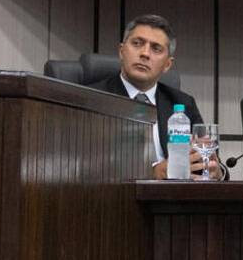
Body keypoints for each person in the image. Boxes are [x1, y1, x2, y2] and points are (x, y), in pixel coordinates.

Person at [88, 13, 218, 180]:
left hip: (175, 198)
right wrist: (152, 172)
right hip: (112, 198)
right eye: (137, 43)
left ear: (167, 65)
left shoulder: (181, 103)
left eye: (156, 48)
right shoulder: (92, 99)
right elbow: (84, 165)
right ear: (121, 51)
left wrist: (215, 170)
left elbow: (205, 156)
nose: (145, 53)